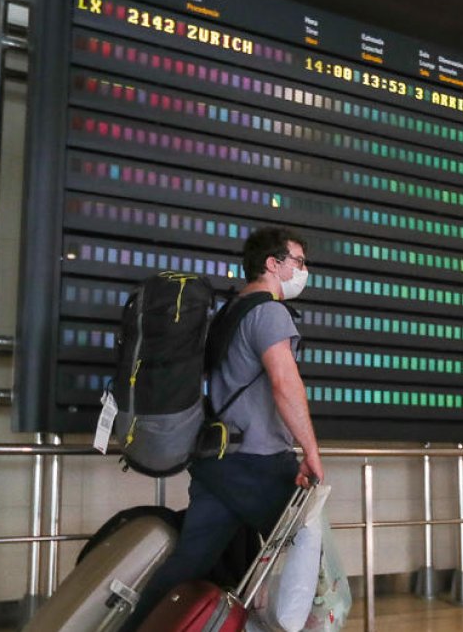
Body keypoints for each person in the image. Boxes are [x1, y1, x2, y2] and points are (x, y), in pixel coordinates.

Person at [121, 226, 324, 630]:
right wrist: (311, 452)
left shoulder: (230, 311)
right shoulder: (269, 312)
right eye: (299, 262)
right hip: (258, 461)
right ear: (274, 264)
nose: (303, 270)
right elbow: (286, 385)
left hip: (217, 459)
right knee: (309, 551)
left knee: (193, 564)